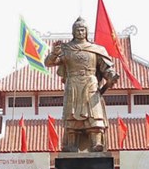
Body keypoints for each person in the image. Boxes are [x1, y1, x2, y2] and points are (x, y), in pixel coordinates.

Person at [43, 16, 120, 152]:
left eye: (82, 30)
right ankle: (71, 144)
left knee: (94, 114)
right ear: (73, 32)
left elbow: (106, 67)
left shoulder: (96, 49)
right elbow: (49, 63)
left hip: (91, 84)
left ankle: (96, 143)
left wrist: (111, 75)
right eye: (77, 30)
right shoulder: (67, 49)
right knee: (72, 116)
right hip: (73, 84)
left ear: (87, 32)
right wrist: (54, 53)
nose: (80, 32)